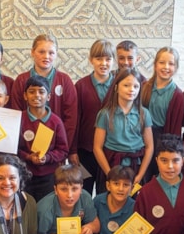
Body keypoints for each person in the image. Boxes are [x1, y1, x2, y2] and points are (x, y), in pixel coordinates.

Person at [9, 34, 78, 163]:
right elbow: (16, 115)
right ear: (32, 52)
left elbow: (71, 119)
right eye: (41, 51)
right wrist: (26, 153)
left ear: (56, 54)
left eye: (51, 53)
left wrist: (62, 149)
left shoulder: (65, 80)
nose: (46, 56)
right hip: (27, 149)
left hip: (55, 151)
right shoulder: (21, 80)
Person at [93, 68, 153, 190]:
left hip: (136, 166)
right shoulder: (105, 114)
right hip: (111, 164)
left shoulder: (144, 114)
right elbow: (97, 147)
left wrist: (140, 175)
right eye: (126, 85)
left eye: (136, 86)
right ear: (116, 87)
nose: (131, 90)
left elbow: (149, 146)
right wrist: (109, 174)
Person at [18, 75, 70, 201]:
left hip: (49, 176)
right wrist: (28, 157)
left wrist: (47, 157)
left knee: (45, 208)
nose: (36, 95)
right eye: (31, 92)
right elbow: (14, 148)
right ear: (25, 96)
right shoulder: (19, 119)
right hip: (24, 174)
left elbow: (63, 151)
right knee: (25, 207)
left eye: (41, 92)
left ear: (48, 97)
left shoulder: (55, 122)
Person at [74, 39, 116, 193]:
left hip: (110, 151)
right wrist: (73, 151)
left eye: (108, 59)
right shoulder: (81, 86)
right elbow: (75, 120)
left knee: (105, 192)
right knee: (83, 189)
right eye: (99, 59)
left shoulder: (119, 86)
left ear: (113, 61)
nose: (103, 63)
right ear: (91, 60)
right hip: (85, 152)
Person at [140, 46, 184, 139]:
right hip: (140, 136)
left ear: (176, 68)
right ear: (155, 65)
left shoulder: (177, 95)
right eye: (162, 62)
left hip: (162, 139)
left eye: (171, 64)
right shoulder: (143, 86)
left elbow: (175, 128)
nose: (166, 67)